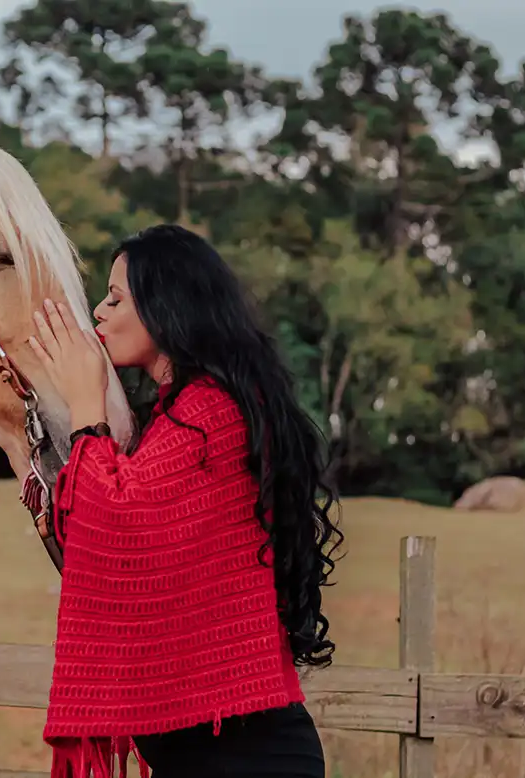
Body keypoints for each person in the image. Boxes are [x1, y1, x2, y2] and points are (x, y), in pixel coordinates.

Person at [26, 224, 343, 778]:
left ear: (165, 307)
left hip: (247, 759)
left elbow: (121, 524)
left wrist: (84, 404)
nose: (99, 312)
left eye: (116, 297)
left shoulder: (212, 415)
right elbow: (92, 541)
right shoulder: (180, 415)